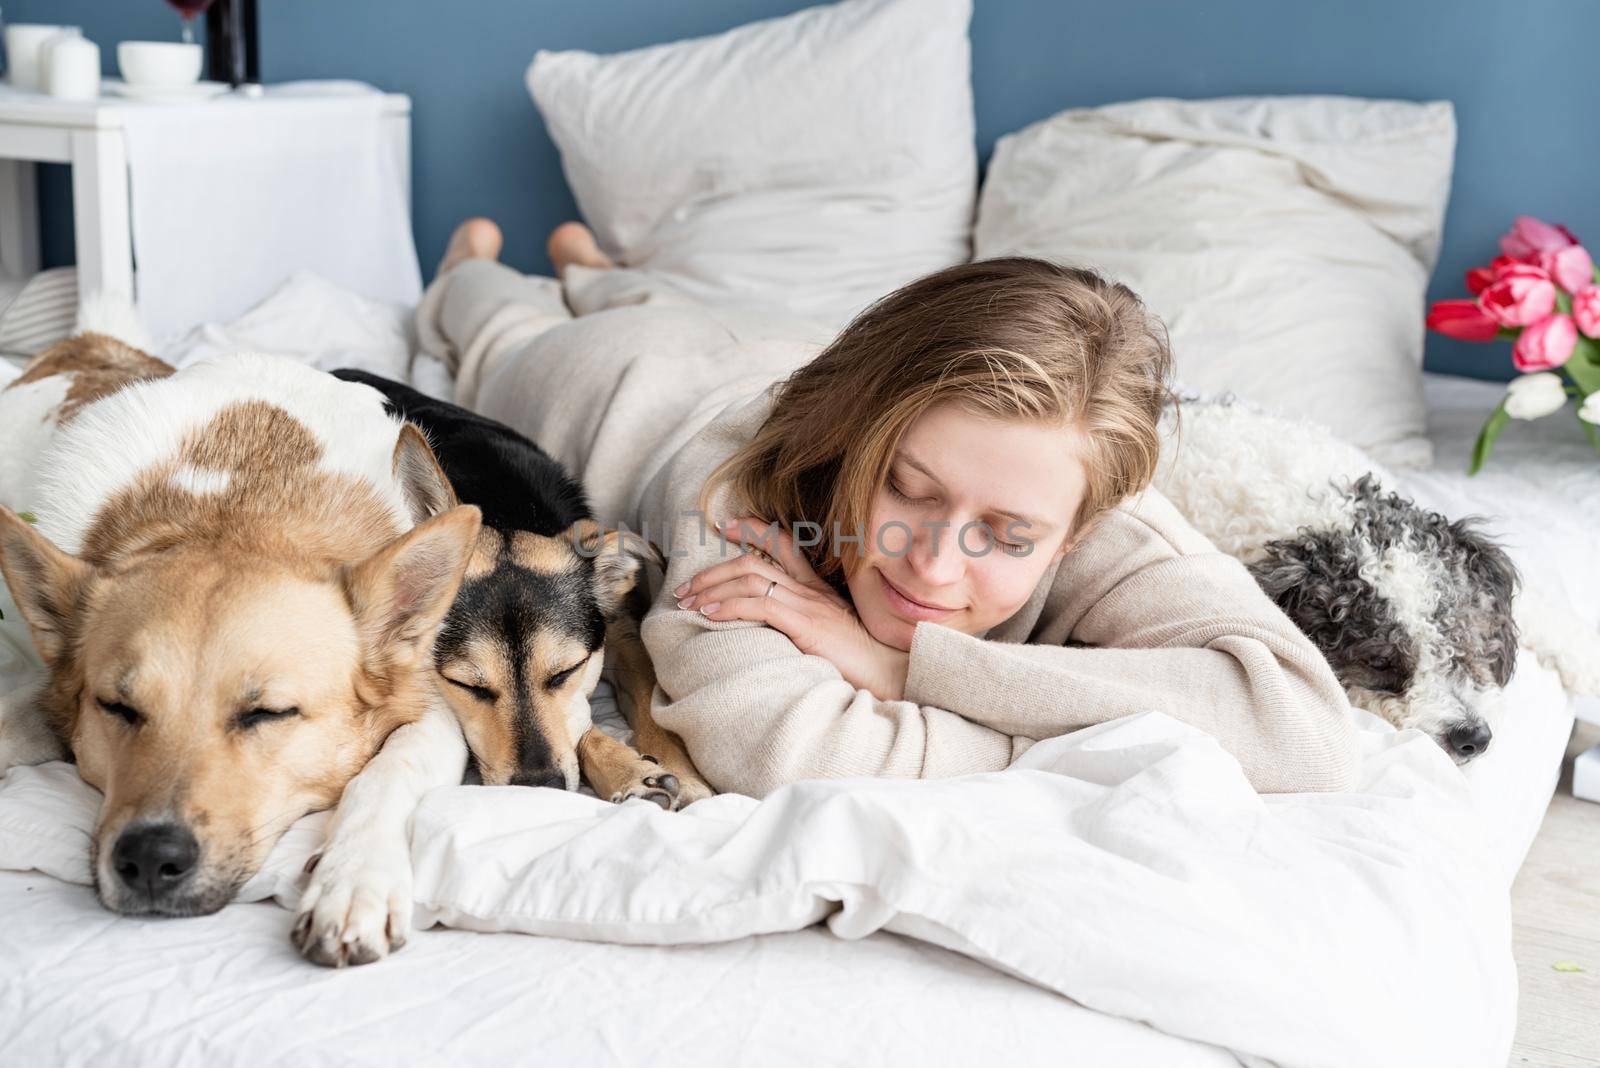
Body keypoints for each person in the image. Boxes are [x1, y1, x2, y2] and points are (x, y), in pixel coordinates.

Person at [415, 218, 1359, 797]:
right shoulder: (733, 500)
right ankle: (479, 265)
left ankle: (592, 259)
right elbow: (789, 752)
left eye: (1007, 536)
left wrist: (906, 667)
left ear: (1075, 532)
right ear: (856, 436)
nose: (934, 566)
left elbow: (1304, 730)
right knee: (504, 327)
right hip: (628, 375)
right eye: (907, 487)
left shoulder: (1075, 478)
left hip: (768, 334)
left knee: (671, 291)